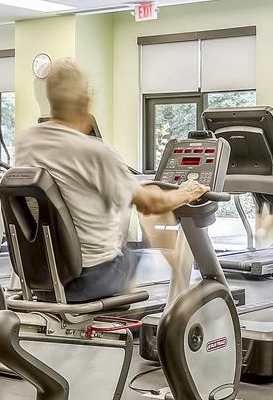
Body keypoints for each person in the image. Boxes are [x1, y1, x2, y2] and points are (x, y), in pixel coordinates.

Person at [13, 59, 206, 301]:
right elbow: (151, 204)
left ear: (50, 100)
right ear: (86, 102)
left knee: (127, 214)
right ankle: (169, 295)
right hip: (91, 279)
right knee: (134, 247)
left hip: (39, 278)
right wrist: (186, 192)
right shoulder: (97, 152)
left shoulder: (25, 142)